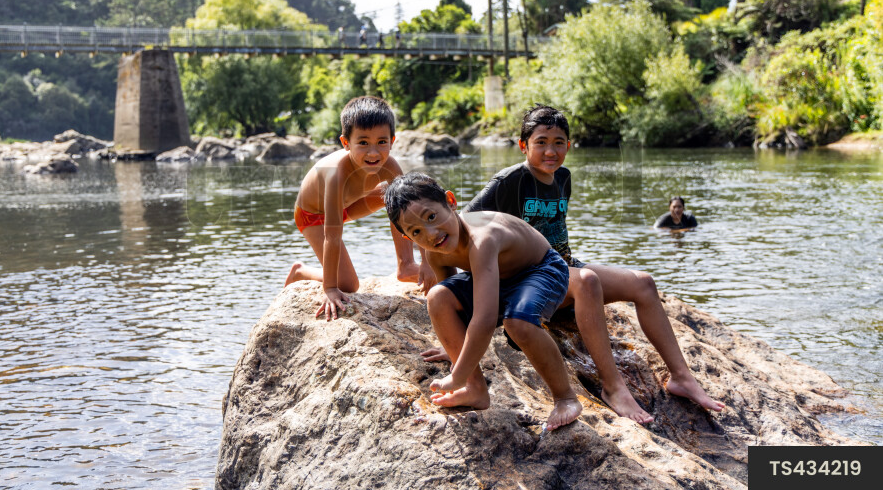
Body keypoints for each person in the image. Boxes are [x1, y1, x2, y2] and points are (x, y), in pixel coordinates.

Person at [421, 105, 724, 422]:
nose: (550, 151)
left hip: (562, 266)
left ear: (569, 145)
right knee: (586, 280)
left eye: (558, 142)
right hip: (531, 277)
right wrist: (460, 334)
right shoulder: (509, 181)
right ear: (524, 145)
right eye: (541, 142)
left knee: (644, 283)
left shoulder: (563, 177)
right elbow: (458, 225)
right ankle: (613, 387)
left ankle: (681, 377)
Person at [384, 172, 584, 431]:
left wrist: (456, 373)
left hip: (540, 269)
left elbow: (485, 318)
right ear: (408, 239)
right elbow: (454, 305)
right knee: (438, 296)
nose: (431, 234)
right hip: (498, 279)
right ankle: (475, 388)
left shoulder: (483, 238)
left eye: (432, 217)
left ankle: (566, 397)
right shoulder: (436, 254)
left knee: (518, 323)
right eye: (417, 231)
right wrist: (456, 345)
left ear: (450, 201)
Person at [286, 96, 420, 320]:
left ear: (393, 140)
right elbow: (332, 236)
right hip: (314, 216)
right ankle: (300, 271)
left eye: (381, 142)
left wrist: (426, 260)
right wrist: (329, 289)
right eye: (363, 143)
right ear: (345, 142)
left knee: (399, 198)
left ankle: (406, 265)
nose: (373, 153)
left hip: (348, 206)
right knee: (348, 284)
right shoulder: (336, 173)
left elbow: (414, 211)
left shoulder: (390, 166)